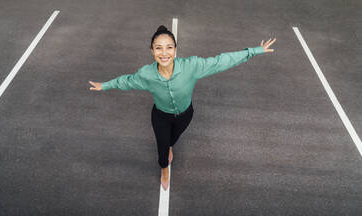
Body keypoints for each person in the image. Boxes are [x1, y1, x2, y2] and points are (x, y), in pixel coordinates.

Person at [89, 25, 276, 191]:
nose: (164, 53)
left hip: (185, 115)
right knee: (163, 151)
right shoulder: (146, 74)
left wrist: (254, 51)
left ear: (176, 50)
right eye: (158, 48)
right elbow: (127, 81)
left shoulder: (191, 66)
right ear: (152, 52)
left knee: (172, 139)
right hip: (160, 117)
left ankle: (170, 145)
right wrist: (105, 85)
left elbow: (221, 61)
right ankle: (164, 170)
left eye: (169, 47)